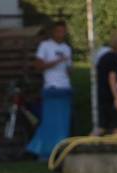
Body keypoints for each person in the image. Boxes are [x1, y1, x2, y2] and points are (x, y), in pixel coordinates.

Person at [26, 21, 73, 160]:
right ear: (53, 32)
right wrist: (56, 61)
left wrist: (69, 67)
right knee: (50, 121)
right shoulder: (45, 46)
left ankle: (60, 150)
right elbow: (38, 66)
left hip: (64, 87)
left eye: (63, 31)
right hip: (51, 87)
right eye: (58, 31)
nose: (61, 34)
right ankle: (44, 151)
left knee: (63, 123)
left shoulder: (66, 48)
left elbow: (69, 69)